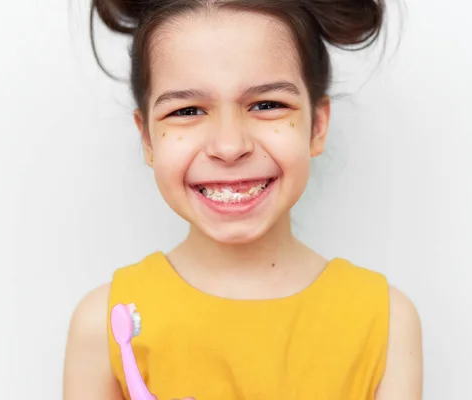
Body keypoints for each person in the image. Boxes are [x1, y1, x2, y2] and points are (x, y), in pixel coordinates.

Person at [63, 0, 423, 399]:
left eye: (267, 105)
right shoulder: (103, 324)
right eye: (187, 110)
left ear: (317, 126)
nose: (229, 145)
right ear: (147, 138)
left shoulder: (386, 322)